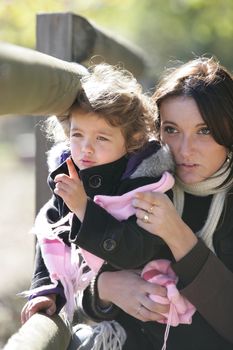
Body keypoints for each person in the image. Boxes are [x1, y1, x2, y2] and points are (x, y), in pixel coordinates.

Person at [76, 56, 233, 350]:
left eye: (204, 131)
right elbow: (70, 288)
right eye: (171, 130)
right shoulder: (132, 184)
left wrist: (177, 234)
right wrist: (105, 288)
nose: (185, 150)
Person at [21, 63, 176, 328]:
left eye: (102, 138)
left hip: (151, 319)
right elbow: (51, 232)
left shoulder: (147, 186)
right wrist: (46, 290)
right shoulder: (68, 175)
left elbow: (136, 250)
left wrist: (84, 208)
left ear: (133, 139)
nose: (86, 149)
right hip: (101, 312)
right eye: (77, 135)